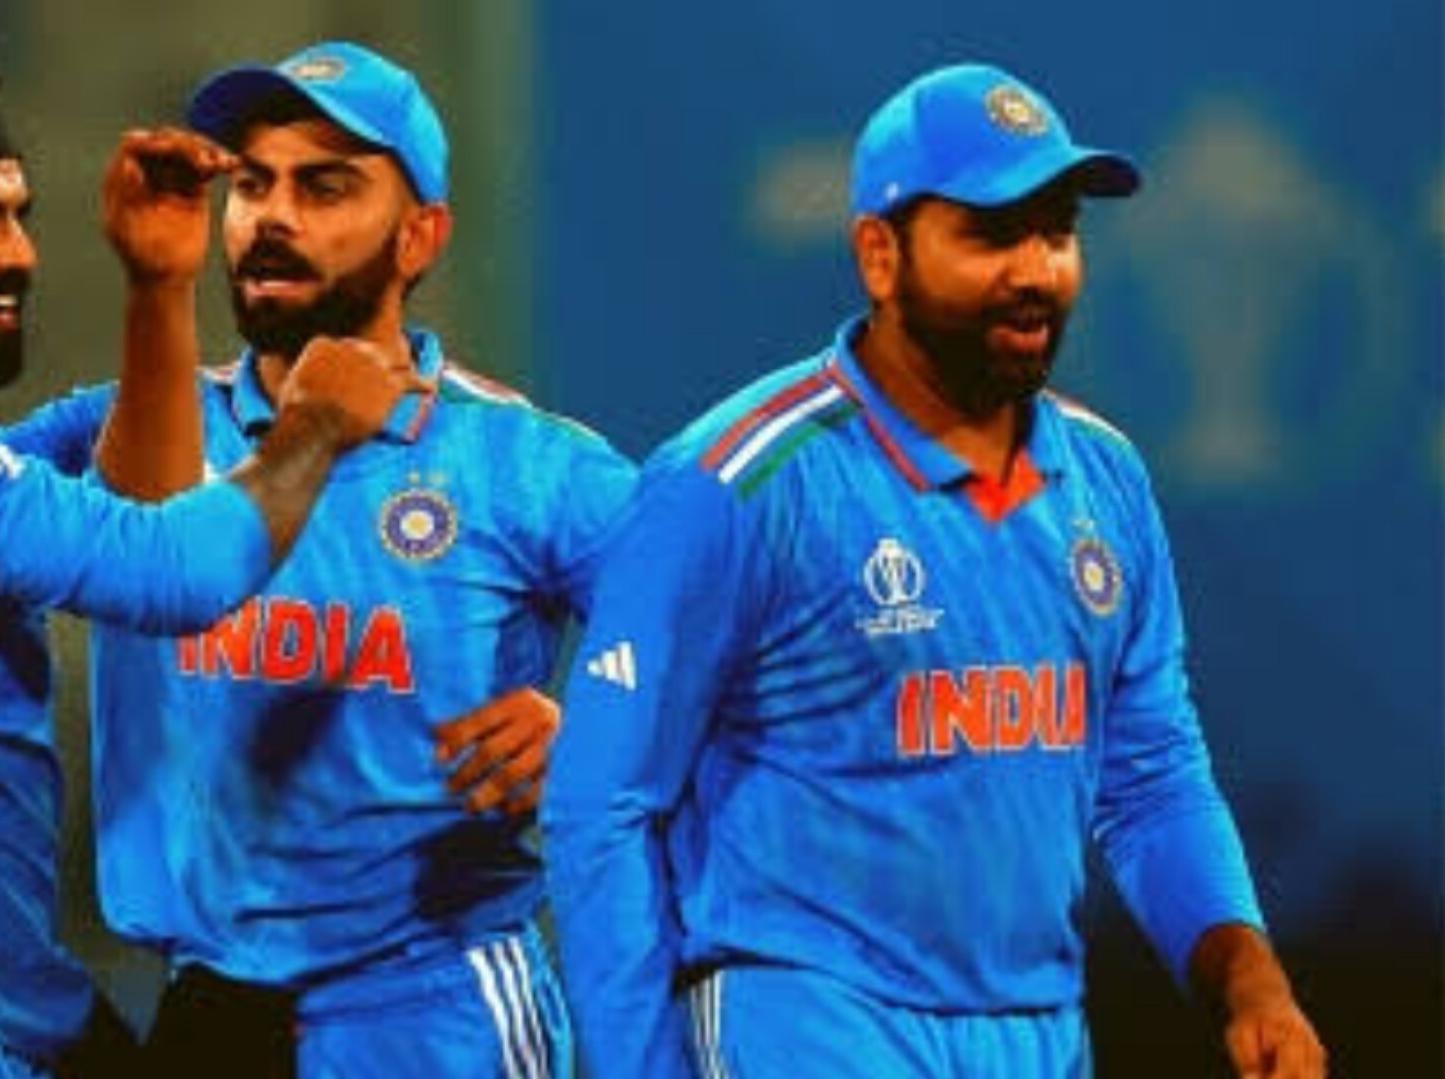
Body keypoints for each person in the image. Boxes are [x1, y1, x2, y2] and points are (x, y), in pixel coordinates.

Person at [541, 62, 1327, 1079]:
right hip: (807, 1021)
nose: (1036, 270)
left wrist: (1250, 981)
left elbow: (1151, 777)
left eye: (1057, 232)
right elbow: (600, 803)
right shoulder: (738, 482)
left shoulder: (1107, 479)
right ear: (880, 254)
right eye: (992, 234)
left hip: (1035, 1033)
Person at [0, 41, 423, 1079]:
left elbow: (56, 454)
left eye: (18, 215)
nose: (17, 254)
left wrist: (158, 293)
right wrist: (308, 430)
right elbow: (171, 571)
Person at [82, 41, 636, 1076]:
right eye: (253, 184)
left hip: (435, 1014)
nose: (274, 216)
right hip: (206, 1009)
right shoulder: (152, 427)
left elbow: (746, 641)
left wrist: (598, 723)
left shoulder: (525, 463)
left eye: (325, 186)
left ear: (420, 235)